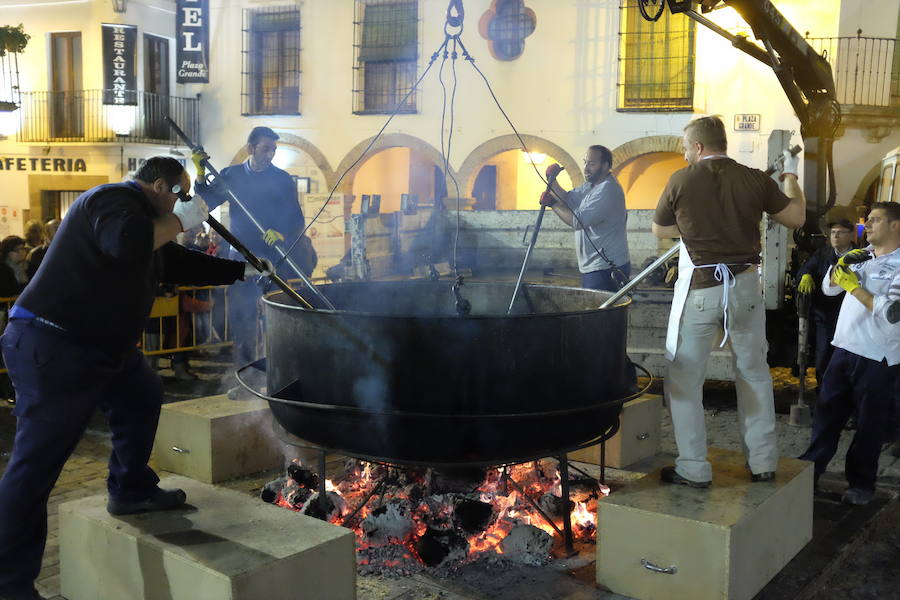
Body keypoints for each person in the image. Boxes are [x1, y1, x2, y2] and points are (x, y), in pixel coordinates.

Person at [0, 157, 266, 600]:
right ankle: (9, 585)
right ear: (159, 186)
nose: (182, 204)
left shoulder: (146, 224)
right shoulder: (112, 200)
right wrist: (183, 218)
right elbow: (126, 244)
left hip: (101, 347)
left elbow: (175, 262)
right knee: (35, 467)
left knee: (142, 393)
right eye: (179, 195)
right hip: (54, 344)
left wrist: (244, 271)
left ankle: (129, 487)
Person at [652, 115, 806, 487]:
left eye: (687, 146)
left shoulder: (681, 180)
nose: (686, 153)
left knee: (685, 379)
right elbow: (796, 216)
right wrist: (791, 177)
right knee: (753, 373)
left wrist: (694, 224)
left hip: (702, 289)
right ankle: (763, 463)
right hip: (745, 287)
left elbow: (660, 229)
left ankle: (693, 466)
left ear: (699, 146)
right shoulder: (754, 178)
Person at [193, 127, 313, 397]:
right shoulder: (231, 176)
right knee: (243, 321)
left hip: (272, 259)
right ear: (250, 148)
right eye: (266, 148)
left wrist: (281, 231)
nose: (270, 154)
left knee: (276, 321)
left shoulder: (281, 179)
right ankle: (247, 381)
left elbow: (296, 218)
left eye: (273, 149)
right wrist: (200, 173)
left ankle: (279, 379)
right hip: (241, 257)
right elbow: (206, 202)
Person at [799, 202, 900, 505]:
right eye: (867, 220)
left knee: (870, 425)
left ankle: (861, 485)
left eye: (875, 220)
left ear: (896, 226)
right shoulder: (862, 256)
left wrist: (854, 287)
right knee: (826, 417)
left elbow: (892, 314)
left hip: (877, 357)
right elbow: (830, 290)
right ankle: (810, 473)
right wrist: (839, 267)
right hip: (844, 350)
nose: (866, 226)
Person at [541, 145, 630, 291]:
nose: (586, 168)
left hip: (606, 268)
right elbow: (567, 199)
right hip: (593, 266)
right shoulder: (591, 185)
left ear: (606, 165)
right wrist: (552, 180)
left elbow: (578, 221)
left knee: (601, 312)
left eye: (592, 164)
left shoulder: (607, 190)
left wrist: (553, 204)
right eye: (585, 162)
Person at [795, 219, 857, 387]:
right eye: (833, 232)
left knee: (846, 359)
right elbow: (806, 268)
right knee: (823, 357)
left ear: (852, 235)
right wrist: (805, 275)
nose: (835, 235)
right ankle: (822, 395)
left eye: (840, 232)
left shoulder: (860, 256)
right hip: (825, 317)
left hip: (850, 319)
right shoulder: (823, 254)